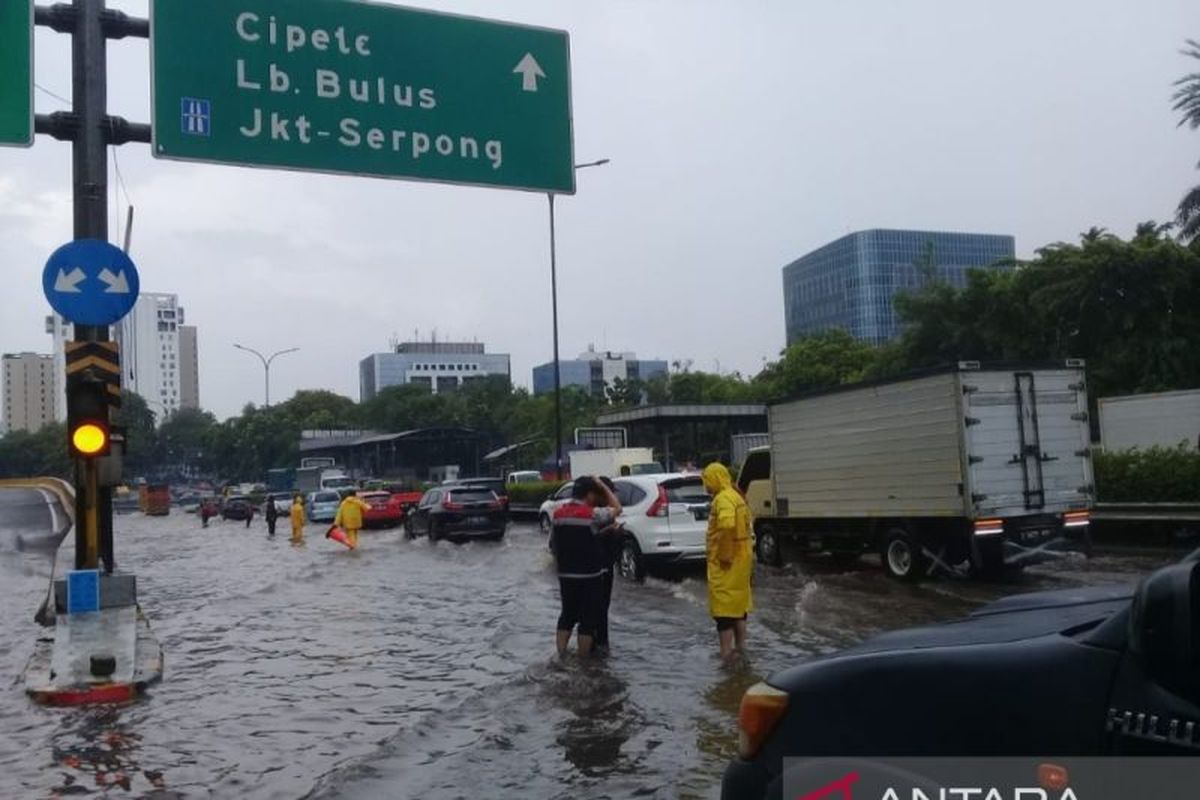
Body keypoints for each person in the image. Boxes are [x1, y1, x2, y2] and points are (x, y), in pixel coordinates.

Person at [551, 475, 621, 658]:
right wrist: (602, 485)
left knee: (567, 616)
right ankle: (583, 662)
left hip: (566, 575)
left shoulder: (557, 514)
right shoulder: (592, 515)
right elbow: (616, 508)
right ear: (589, 494)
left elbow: (561, 541)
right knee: (587, 620)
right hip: (590, 575)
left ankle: (561, 656)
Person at [702, 462, 753, 662]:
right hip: (742, 561)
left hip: (727, 563)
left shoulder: (722, 499)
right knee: (739, 607)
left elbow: (727, 524)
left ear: (715, 479)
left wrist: (724, 555)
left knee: (724, 611)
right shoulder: (736, 496)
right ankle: (741, 649)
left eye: (706, 481)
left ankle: (726, 656)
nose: (705, 486)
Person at [593, 477, 624, 655]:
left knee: (601, 610)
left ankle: (600, 647)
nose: (612, 497)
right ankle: (598, 647)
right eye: (609, 493)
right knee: (597, 611)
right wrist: (609, 532)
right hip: (597, 570)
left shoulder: (602, 514)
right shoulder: (596, 514)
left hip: (604, 568)